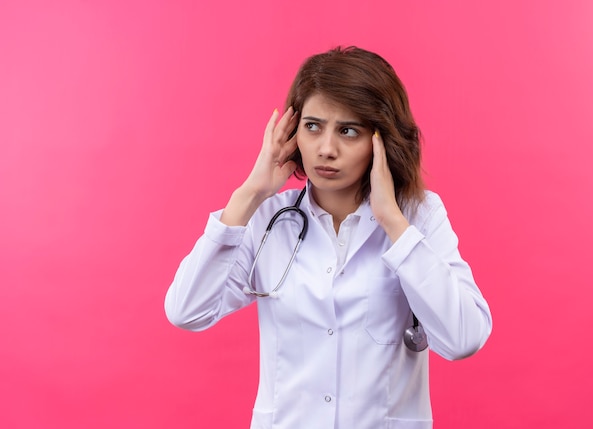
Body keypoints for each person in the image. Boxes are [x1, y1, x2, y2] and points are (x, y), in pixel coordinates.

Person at [165, 46, 492, 429]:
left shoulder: (417, 216)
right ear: (291, 132)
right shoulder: (268, 218)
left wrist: (393, 224)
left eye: (348, 131)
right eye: (313, 126)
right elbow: (187, 311)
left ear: (381, 139)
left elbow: (463, 338)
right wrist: (250, 193)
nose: (326, 149)